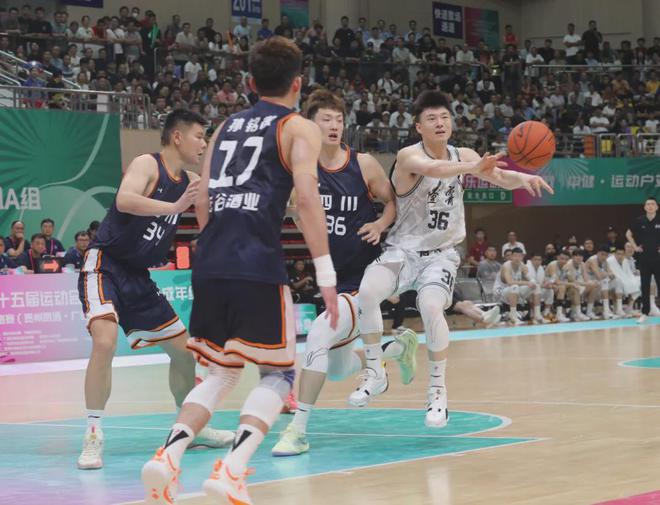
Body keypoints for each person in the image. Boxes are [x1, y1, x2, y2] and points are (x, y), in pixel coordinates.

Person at [141, 37, 339, 505]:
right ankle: (231, 470)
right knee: (279, 375)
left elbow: (203, 199)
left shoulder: (226, 126)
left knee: (220, 373)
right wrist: (326, 274)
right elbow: (306, 200)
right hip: (257, 262)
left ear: (250, 82)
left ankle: (167, 457)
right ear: (298, 83)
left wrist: (216, 244)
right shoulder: (298, 127)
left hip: (210, 261)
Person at [348, 90, 552, 428]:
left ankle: (437, 392)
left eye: (444, 117)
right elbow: (435, 168)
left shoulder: (465, 154)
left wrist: (523, 177)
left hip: (441, 255)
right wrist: (474, 166)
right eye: (431, 118)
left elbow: (499, 177)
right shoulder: (409, 155)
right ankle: (375, 372)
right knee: (367, 292)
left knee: (430, 306)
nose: (439, 123)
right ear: (419, 127)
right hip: (402, 250)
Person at [76, 109, 234, 471]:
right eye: (199, 136)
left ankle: (190, 427)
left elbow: (222, 198)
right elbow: (124, 200)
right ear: (177, 137)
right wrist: (175, 206)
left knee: (184, 354)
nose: (203, 144)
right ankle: (93, 434)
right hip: (105, 265)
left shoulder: (191, 180)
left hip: (139, 277)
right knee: (104, 342)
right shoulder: (147, 164)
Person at [271, 89, 418, 457]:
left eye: (338, 119)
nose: (334, 125)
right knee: (336, 369)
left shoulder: (363, 164)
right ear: (311, 126)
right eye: (326, 119)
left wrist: (381, 224)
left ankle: (297, 431)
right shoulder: (301, 171)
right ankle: (397, 348)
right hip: (332, 279)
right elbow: (294, 211)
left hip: (364, 277)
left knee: (318, 335)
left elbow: (393, 201)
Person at [626, 196, 660, 323]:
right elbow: (628, 234)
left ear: (656, 207)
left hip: (658, 258)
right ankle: (645, 313)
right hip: (644, 258)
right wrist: (635, 247)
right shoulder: (639, 221)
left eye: (652, 204)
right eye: (648, 204)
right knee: (645, 286)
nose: (650, 206)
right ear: (645, 207)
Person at [493, 247, 540, 325]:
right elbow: (510, 282)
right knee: (514, 286)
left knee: (536, 287)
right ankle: (513, 316)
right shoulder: (507, 265)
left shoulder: (522, 266)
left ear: (522, 257)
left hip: (514, 291)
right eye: (515, 256)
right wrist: (527, 283)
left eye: (519, 256)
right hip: (501, 292)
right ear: (511, 256)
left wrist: (533, 283)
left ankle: (537, 315)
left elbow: (531, 280)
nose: (517, 258)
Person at [584, 245, 618, 319]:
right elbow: (599, 276)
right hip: (585, 284)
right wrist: (607, 274)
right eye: (602, 254)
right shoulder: (592, 260)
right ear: (597, 253)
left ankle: (616, 309)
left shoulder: (605, 261)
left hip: (596, 283)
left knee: (617, 282)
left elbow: (612, 274)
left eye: (606, 255)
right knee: (603, 282)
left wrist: (607, 274)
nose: (604, 257)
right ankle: (604, 311)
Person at [607, 244, 640, 317]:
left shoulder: (625, 261)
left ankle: (629, 308)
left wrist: (632, 281)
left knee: (639, 281)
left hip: (623, 280)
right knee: (619, 281)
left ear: (624, 254)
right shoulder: (609, 260)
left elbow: (629, 274)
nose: (620, 256)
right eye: (618, 254)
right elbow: (610, 275)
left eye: (622, 254)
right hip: (609, 283)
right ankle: (619, 309)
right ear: (614, 254)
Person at [563, 250, 595, 321]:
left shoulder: (582, 264)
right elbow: (572, 281)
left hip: (578, 285)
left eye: (580, 256)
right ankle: (578, 313)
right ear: (572, 257)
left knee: (593, 286)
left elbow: (586, 278)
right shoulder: (569, 265)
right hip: (567, 286)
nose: (579, 257)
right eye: (576, 256)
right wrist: (587, 283)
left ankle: (589, 312)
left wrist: (591, 282)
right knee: (575, 287)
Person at [546, 250, 575, 322]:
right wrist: (571, 284)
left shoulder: (566, 266)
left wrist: (569, 271)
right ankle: (559, 314)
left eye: (566, 259)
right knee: (562, 287)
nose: (564, 261)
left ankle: (576, 312)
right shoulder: (552, 265)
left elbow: (572, 280)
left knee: (574, 288)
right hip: (548, 286)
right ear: (557, 257)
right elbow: (556, 281)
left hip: (558, 286)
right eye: (562, 258)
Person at [527, 252, 554, 319]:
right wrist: (543, 285)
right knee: (537, 289)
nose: (537, 261)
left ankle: (546, 312)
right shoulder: (527, 267)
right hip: (527, 292)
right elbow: (533, 284)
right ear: (531, 260)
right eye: (535, 259)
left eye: (539, 260)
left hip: (538, 290)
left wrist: (548, 284)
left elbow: (543, 281)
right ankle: (536, 314)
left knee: (550, 290)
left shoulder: (541, 268)